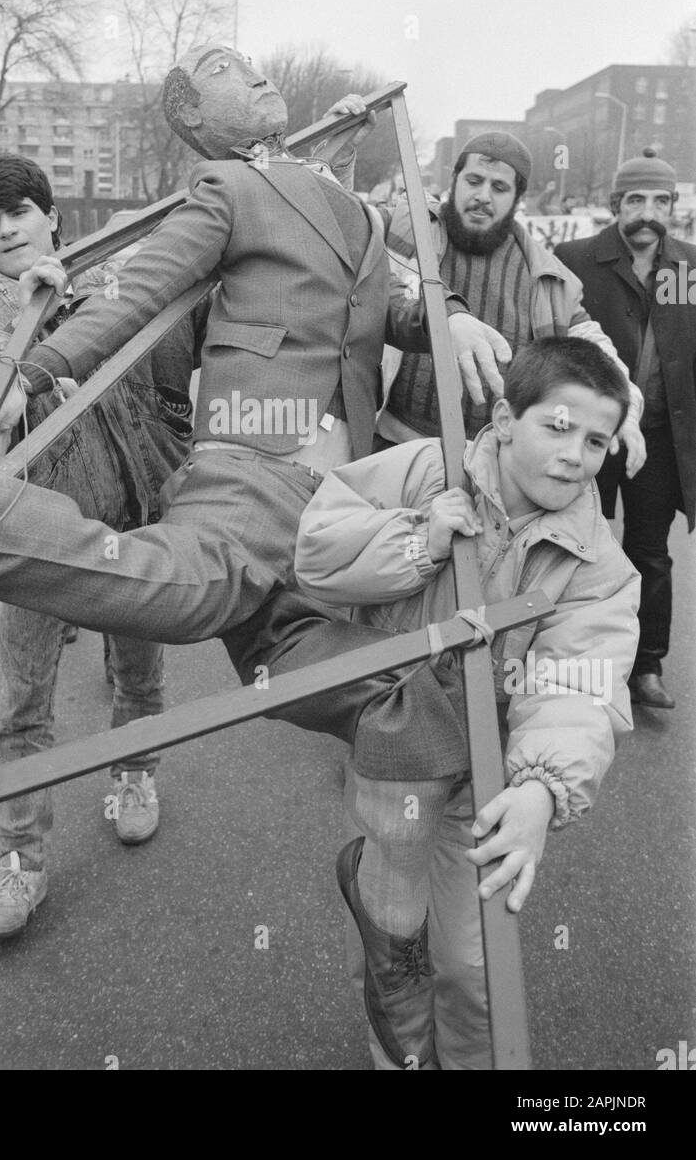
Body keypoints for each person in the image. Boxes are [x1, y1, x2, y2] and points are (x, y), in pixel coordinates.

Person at [0, 47, 515, 758]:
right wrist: (29, 372)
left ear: (48, 216)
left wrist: (451, 316)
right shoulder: (224, 189)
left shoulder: (354, 212)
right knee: (172, 601)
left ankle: (464, 738)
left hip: (327, 486)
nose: (254, 73)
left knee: (287, 661)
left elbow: (379, 304)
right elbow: (138, 294)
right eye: (221, 70)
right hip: (242, 475)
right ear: (193, 118)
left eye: (18, 213)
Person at [293, 337, 640, 1069]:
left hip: (485, 784)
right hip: (391, 762)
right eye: (558, 426)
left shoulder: (597, 564)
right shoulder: (425, 468)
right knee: (392, 946)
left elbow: (580, 682)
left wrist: (542, 790)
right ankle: (399, 1058)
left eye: (596, 441)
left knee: (472, 963)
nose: (575, 455)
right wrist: (418, 542)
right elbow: (317, 552)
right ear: (505, 418)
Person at [0, 154, 199, 937]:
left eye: (19, 213)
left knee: (138, 674)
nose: (7, 231)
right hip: (34, 545)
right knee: (23, 708)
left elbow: (213, 281)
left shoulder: (116, 290)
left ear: (52, 216)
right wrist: (10, 351)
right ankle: (22, 861)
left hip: (133, 530)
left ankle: (134, 775)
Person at [372, 130, 646, 474]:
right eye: (474, 181)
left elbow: (595, 349)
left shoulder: (547, 276)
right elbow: (339, 221)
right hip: (392, 449)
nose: (483, 196)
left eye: (499, 188)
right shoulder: (404, 227)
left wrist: (625, 407)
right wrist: (339, 155)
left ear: (517, 197)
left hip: (491, 467)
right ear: (455, 180)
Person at [556, 149, 696, 709]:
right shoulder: (576, 260)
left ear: (673, 206)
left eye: (660, 201)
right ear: (616, 204)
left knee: (649, 553)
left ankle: (645, 666)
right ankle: (566, 657)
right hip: (589, 433)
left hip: (658, 438)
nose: (647, 213)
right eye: (635, 200)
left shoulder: (686, 269)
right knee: (571, 544)